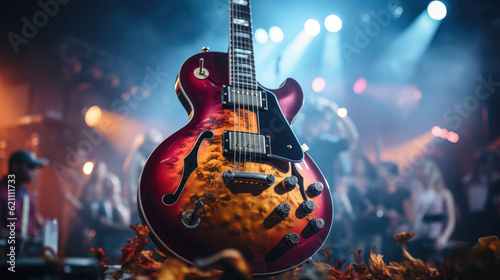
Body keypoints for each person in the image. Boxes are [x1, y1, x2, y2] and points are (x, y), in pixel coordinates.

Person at [0, 150, 48, 256]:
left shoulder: (27, 194)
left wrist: (48, 228)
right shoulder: (2, 192)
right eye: (30, 166)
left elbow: (34, 220)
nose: (34, 171)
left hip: (25, 253)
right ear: (15, 167)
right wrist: (16, 237)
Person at [410, 158, 456, 265]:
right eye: (419, 168)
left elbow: (451, 220)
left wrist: (444, 237)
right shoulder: (418, 193)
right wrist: (415, 194)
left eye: (423, 168)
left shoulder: (444, 193)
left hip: (436, 239)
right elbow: (412, 215)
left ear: (432, 171)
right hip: (418, 239)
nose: (420, 171)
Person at [376, 161, 412, 262]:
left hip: (400, 237)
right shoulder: (379, 194)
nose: (386, 180)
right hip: (383, 236)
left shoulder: (403, 193)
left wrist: (396, 215)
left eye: (388, 176)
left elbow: (410, 218)